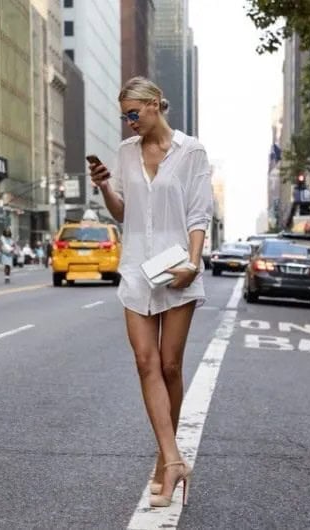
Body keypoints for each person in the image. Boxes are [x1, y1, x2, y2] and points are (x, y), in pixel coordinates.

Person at [89, 77, 213, 508]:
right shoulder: (125, 153)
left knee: (171, 365)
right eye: (123, 115)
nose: (128, 122)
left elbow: (199, 214)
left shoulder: (191, 151)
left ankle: (165, 462)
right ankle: (173, 459)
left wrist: (193, 265)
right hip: (137, 270)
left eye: (133, 113)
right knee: (146, 363)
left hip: (178, 268)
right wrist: (106, 186)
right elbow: (124, 212)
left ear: (156, 104)